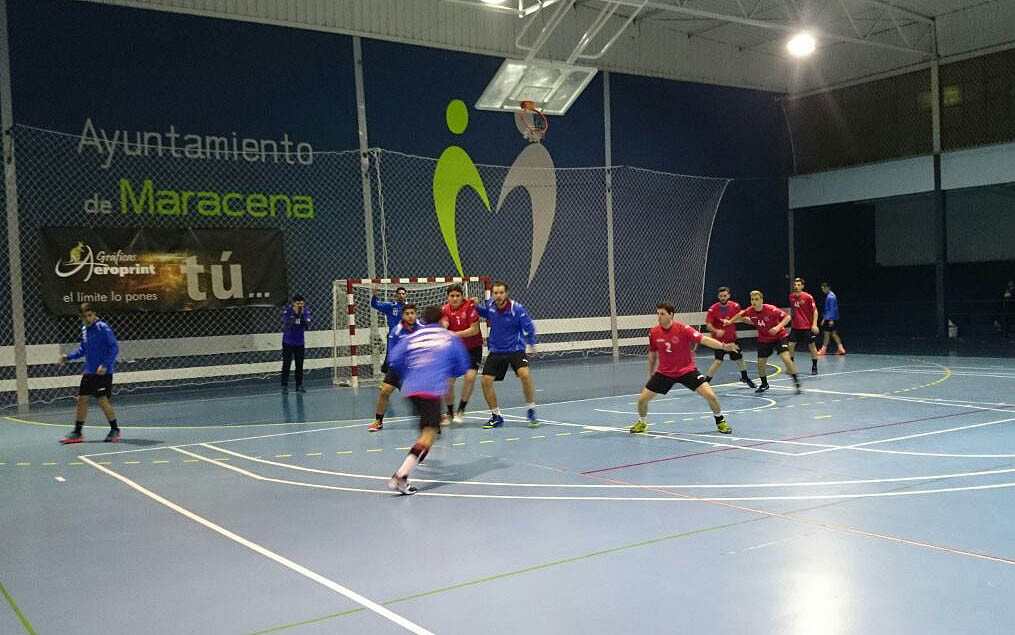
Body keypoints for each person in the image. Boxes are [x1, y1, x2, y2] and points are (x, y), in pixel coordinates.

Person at [386, 305, 471, 495]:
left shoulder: (414, 336)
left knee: (428, 434)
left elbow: (394, 358)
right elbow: (462, 365)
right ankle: (401, 476)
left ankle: (411, 464)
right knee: (429, 434)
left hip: (410, 389)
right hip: (431, 390)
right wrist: (445, 372)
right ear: (442, 320)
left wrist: (411, 372)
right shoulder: (449, 337)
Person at [630, 303, 738, 435]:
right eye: (658, 314)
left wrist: (723, 346)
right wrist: (650, 373)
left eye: (662, 314)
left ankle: (720, 421)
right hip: (665, 372)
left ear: (671, 315)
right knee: (642, 400)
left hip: (687, 371)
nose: (659, 317)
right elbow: (652, 354)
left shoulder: (684, 329)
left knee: (711, 396)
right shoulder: (654, 332)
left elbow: (704, 339)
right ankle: (642, 423)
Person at [471, 280, 539, 429]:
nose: (498, 295)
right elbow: (486, 313)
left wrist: (532, 343)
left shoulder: (517, 309)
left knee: (525, 374)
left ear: (506, 293)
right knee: (485, 380)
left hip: (515, 349)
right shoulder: (490, 304)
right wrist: (476, 306)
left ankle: (531, 410)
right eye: (495, 293)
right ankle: (496, 416)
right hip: (497, 350)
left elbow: (528, 327)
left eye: (501, 292)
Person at [58, 303, 121, 444]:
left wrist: (105, 365)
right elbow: (83, 349)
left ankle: (115, 429)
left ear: (94, 314)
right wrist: (68, 357)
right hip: (89, 371)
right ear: (80, 317)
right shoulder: (84, 329)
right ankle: (77, 432)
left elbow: (114, 348)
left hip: (103, 372)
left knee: (102, 400)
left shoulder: (102, 328)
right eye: (85, 316)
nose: (88, 318)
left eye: (90, 315)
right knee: (82, 399)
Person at [724, 290, 802, 395]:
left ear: (761, 300)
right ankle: (764, 384)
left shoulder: (770, 309)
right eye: (752, 299)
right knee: (760, 364)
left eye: (756, 299)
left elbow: (787, 317)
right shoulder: (750, 310)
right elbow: (740, 314)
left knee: (786, 358)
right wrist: (730, 321)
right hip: (764, 339)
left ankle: (796, 381)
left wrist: (778, 327)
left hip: (779, 337)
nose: (754, 301)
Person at [368, 304, 421, 432]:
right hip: (398, 368)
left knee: (419, 397)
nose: (410, 316)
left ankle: (431, 420)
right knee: (384, 391)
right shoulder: (396, 331)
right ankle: (378, 421)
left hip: (415, 369)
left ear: (416, 314)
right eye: (407, 314)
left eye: (412, 313)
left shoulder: (422, 329)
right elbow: (392, 351)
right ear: (403, 316)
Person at [441, 284, 483, 424]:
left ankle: (461, 410)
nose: (455, 298)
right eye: (452, 296)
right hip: (455, 350)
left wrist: (453, 334)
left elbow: (474, 330)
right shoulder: (445, 310)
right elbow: (445, 323)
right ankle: (450, 413)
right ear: (448, 297)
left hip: (473, 349)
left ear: (462, 296)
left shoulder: (470, 307)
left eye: (457, 296)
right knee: (447, 383)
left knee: (470, 377)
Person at [704, 287, 756, 388]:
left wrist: (754, 322)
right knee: (718, 362)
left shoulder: (735, 306)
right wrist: (716, 331)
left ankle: (745, 377)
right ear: (718, 297)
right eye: (721, 296)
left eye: (725, 295)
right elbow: (708, 326)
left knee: (739, 359)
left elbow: (742, 318)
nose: (723, 298)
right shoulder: (712, 309)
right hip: (719, 342)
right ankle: (706, 382)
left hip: (732, 340)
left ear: (729, 296)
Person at [787, 277, 820, 375]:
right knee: (790, 345)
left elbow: (815, 311)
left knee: (812, 346)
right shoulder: (791, 296)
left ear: (802, 286)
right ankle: (791, 366)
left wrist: (814, 324)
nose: (796, 286)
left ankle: (814, 366)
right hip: (795, 327)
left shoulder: (808, 297)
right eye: (795, 285)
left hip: (807, 327)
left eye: (798, 285)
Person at [281, 294, 311, 393]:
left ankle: (299, 384)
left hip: (299, 342)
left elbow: (307, 326)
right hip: (288, 341)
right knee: (287, 363)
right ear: (293, 303)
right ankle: (284, 385)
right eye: (298, 304)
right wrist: (294, 316)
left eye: (302, 304)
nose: (300, 306)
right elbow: (287, 325)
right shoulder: (288, 311)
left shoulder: (305, 311)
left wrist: (301, 316)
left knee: (299, 364)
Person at [817, 282, 846, 355]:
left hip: (831, 318)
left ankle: (823, 350)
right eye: (822, 289)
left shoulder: (831, 297)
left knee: (826, 334)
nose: (823, 290)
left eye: (824, 288)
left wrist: (830, 320)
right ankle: (841, 349)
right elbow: (828, 309)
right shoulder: (830, 296)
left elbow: (832, 309)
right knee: (833, 334)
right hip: (830, 318)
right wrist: (824, 318)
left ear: (828, 288)